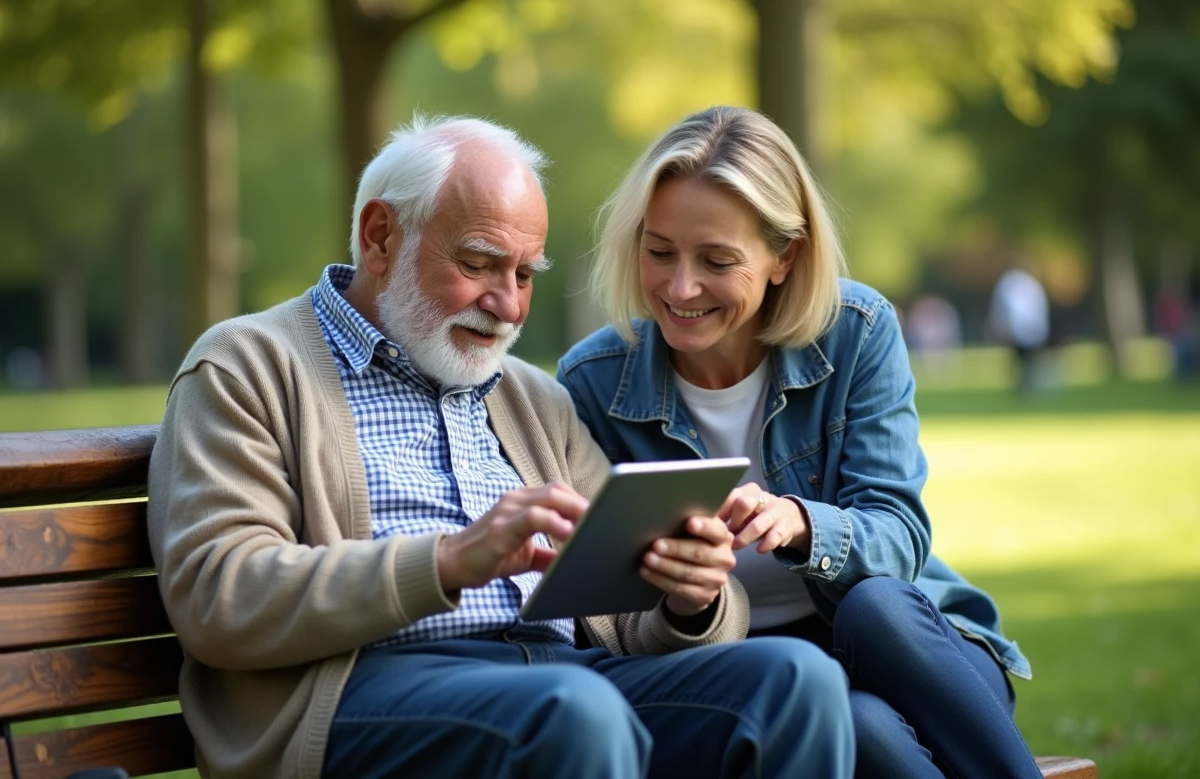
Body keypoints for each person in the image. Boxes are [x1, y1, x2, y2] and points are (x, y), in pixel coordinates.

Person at [147, 114, 855, 779]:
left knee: (796, 680)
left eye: (524, 275)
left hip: (561, 679)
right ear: (380, 237)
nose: (509, 304)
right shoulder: (248, 366)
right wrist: (452, 560)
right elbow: (219, 597)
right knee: (573, 714)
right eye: (481, 264)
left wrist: (690, 599)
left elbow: (628, 620)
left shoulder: (530, 397)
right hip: (364, 692)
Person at [557, 106, 1041, 779]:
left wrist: (803, 524)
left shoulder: (857, 332)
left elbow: (900, 535)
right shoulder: (591, 382)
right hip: (763, 680)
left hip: (918, 658)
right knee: (857, 721)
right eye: (659, 251)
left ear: (785, 255)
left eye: (717, 260)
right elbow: (594, 604)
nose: (680, 286)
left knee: (873, 608)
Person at [988, 265, 1051, 393]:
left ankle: (1028, 383)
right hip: (1022, 327)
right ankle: (1024, 384)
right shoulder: (1026, 283)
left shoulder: (1014, 283)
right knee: (1022, 359)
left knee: (1028, 359)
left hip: (1027, 327)